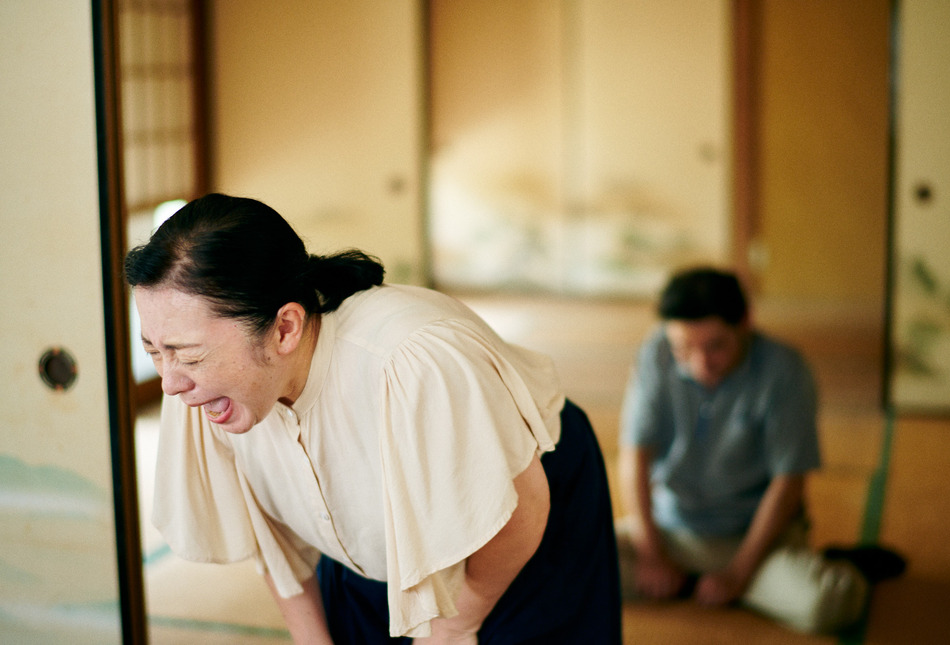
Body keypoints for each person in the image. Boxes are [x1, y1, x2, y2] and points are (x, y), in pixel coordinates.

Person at [124, 193, 622, 644]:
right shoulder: (203, 385)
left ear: (285, 328)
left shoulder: (410, 363)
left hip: (521, 508)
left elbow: (522, 509)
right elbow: (271, 538)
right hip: (367, 537)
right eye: (153, 351)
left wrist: (455, 626)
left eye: (188, 355)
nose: (170, 382)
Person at [618, 267, 876, 634]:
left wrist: (738, 574)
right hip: (671, 530)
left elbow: (789, 482)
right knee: (562, 567)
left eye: (715, 346)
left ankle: (804, 571)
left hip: (755, 539)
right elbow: (634, 457)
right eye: (684, 349)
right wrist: (651, 555)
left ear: (745, 323)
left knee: (826, 606)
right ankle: (695, 580)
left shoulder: (784, 370)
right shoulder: (655, 352)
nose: (700, 364)